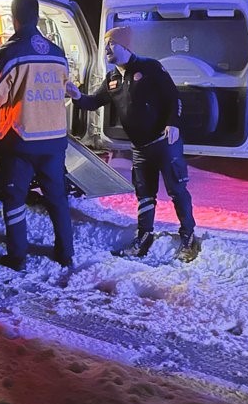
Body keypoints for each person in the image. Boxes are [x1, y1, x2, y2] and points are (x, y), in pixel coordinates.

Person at [66, 26, 201, 262]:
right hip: (140, 148)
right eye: (106, 44)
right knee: (144, 194)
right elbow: (93, 102)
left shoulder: (150, 67)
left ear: (125, 45)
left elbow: (173, 98)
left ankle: (188, 236)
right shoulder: (112, 79)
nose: (106, 48)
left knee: (177, 190)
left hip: (165, 143)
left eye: (112, 44)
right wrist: (76, 95)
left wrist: (173, 123)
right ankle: (144, 237)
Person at [0, 0, 74, 270]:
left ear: (14, 18)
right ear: (37, 16)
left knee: (14, 199)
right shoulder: (57, 53)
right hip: (55, 139)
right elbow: (64, 87)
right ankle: (65, 253)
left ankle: (17, 256)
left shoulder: (9, 53)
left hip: (21, 140)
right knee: (57, 198)